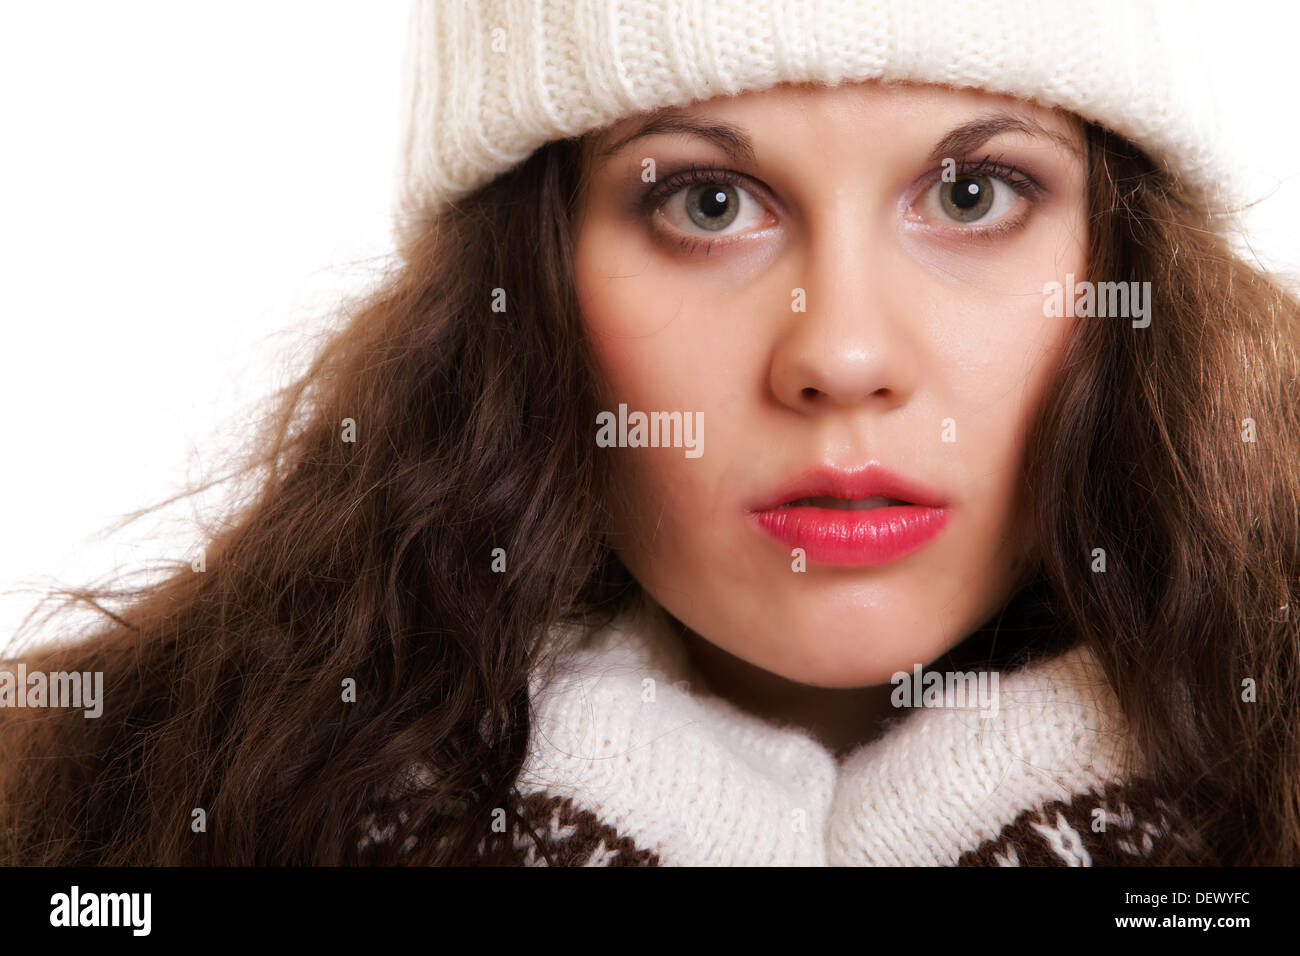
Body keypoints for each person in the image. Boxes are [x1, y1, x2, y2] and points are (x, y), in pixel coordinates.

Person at [1, 0, 1296, 866]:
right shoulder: (99, 821)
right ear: (523, 287)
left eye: (972, 192)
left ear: (1132, 265)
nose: (842, 353)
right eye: (710, 202)